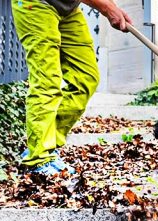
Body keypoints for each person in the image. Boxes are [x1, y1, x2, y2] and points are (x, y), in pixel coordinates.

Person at [12, 0, 133, 176]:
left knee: (86, 77)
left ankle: (45, 144)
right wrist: (107, 8)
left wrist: (112, 6)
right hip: (36, 4)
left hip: (68, 9)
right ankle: (39, 159)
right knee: (47, 81)